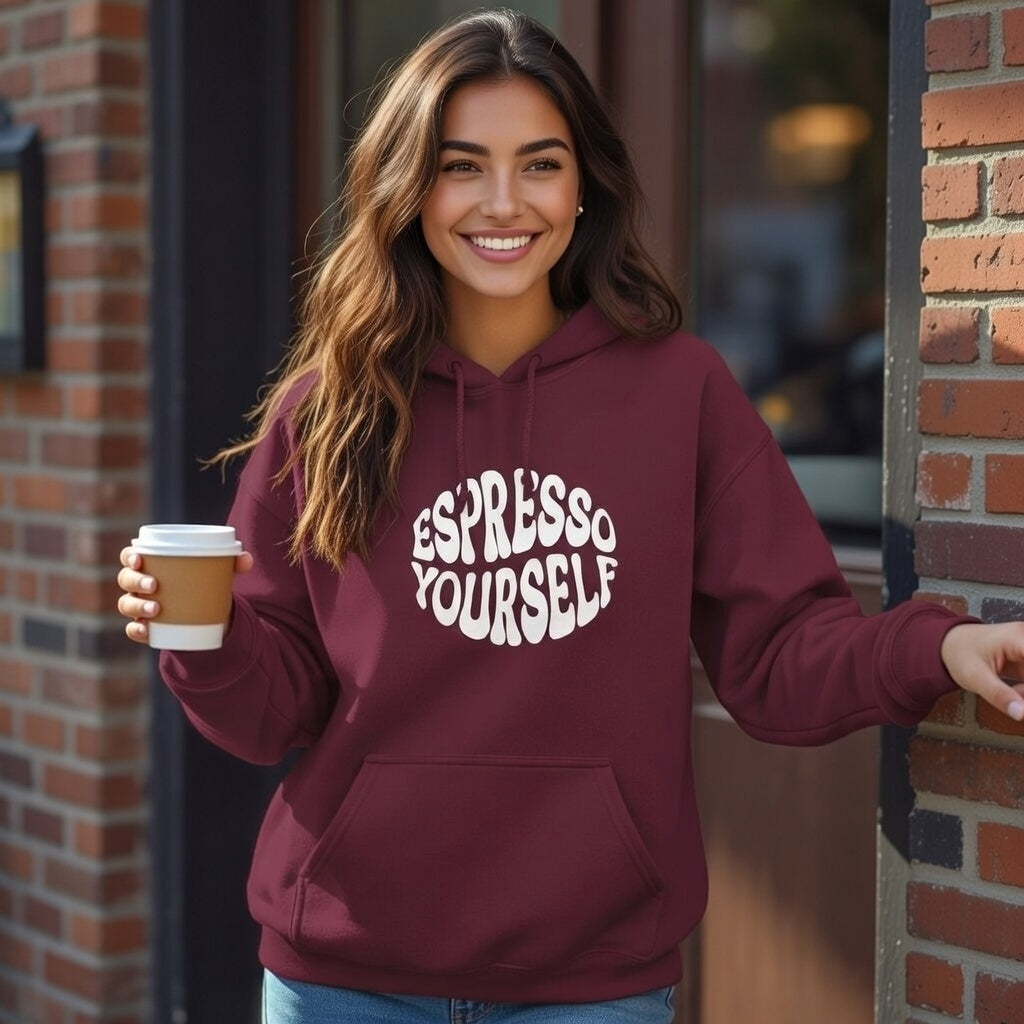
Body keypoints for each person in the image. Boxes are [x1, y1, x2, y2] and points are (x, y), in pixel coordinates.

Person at [117, 9, 1024, 1023]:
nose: (503, 202)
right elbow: (273, 707)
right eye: (461, 166)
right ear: (409, 187)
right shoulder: (328, 412)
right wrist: (203, 638)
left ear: (582, 182)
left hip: (592, 984)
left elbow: (777, 658)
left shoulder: (678, 394)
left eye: (538, 164)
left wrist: (934, 650)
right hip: (343, 974)